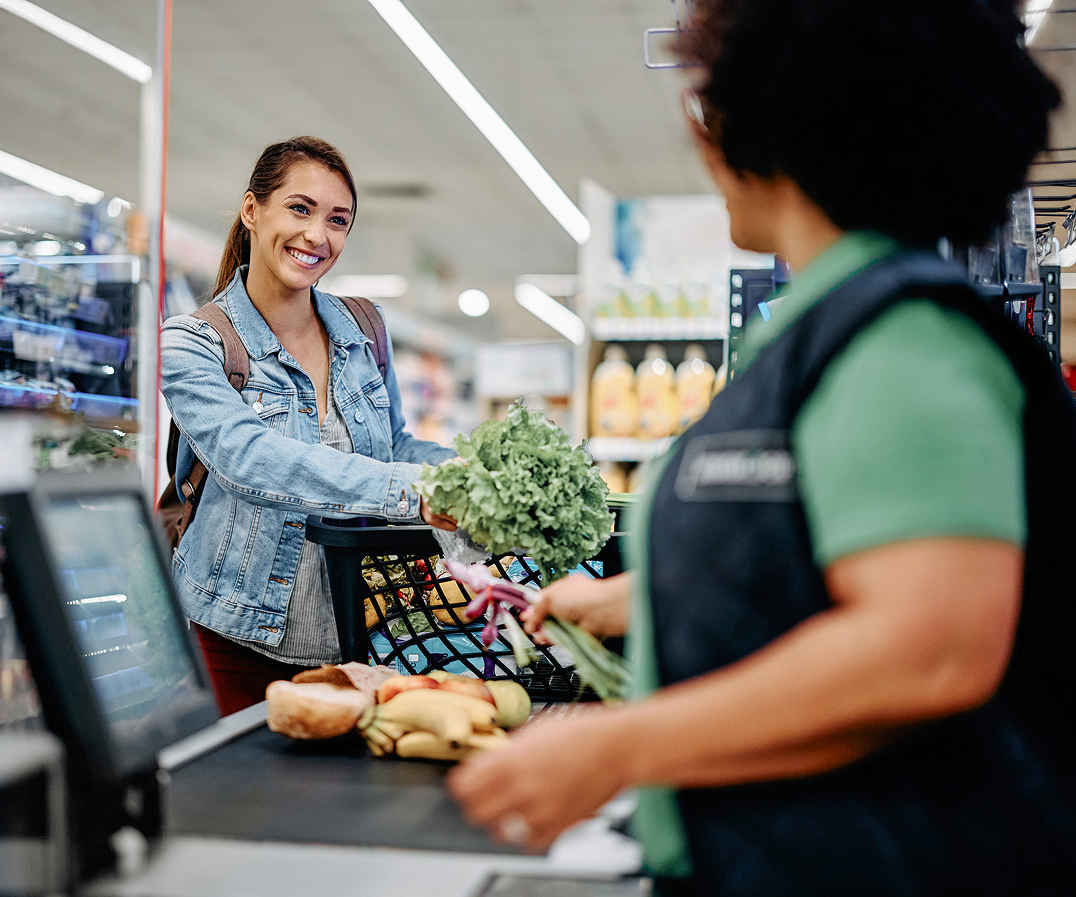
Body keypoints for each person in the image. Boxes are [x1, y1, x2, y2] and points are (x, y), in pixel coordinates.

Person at [449, 2, 1076, 894]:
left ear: (765, 117)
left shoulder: (905, 343)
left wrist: (617, 746)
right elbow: (814, 554)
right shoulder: (830, 327)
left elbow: (926, 649)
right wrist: (633, 597)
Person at [160, 136, 456, 716]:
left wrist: (473, 474)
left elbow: (393, 444)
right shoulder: (193, 343)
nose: (317, 235)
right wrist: (411, 492)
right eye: (300, 209)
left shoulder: (361, 327)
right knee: (240, 801)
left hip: (362, 634)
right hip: (234, 640)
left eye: (338, 220)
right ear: (252, 210)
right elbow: (250, 458)